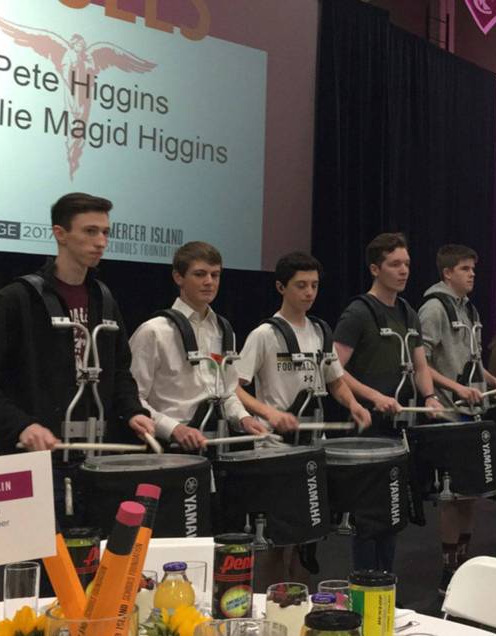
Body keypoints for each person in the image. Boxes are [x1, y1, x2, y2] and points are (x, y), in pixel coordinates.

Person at [0, 193, 155, 520]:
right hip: (34, 465)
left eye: (105, 232)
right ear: (60, 234)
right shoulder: (17, 300)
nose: (101, 242)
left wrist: (132, 410)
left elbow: (119, 371)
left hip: (94, 463)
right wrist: (22, 426)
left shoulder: (104, 300)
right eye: (90, 231)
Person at [231, 251, 372, 583]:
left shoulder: (321, 330)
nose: (309, 293)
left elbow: (335, 380)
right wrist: (270, 413)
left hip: (312, 447)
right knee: (276, 541)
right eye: (300, 286)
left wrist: (353, 404)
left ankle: (299, 608)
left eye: (314, 286)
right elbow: (234, 388)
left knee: (308, 539)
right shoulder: (264, 334)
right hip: (275, 449)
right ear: (281, 287)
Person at [333, 232, 444, 573]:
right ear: (375, 268)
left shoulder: (409, 313)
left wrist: (430, 395)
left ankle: (387, 586)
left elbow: (421, 365)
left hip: (399, 428)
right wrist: (373, 397)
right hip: (368, 428)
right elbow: (333, 369)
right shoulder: (358, 312)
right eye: (395, 264)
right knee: (370, 519)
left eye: (407, 264)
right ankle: (366, 587)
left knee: (393, 514)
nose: (403, 270)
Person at [417, 244, 496, 593]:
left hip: (473, 411)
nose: (472, 274)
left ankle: (464, 565)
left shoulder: (470, 310)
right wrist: (455, 388)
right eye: (465, 269)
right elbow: (419, 362)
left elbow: (473, 361)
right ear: (447, 273)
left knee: (472, 493)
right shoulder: (433, 309)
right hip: (446, 414)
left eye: (473, 268)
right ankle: (447, 572)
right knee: (452, 497)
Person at [129, 241, 267, 450]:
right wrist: (173, 428)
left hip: (216, 445)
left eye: (215, 274)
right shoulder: (154, 331)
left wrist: (243, 418)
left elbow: (226, 392)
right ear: (178, 277)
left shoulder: (224, 330)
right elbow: (133, 399)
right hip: (167, 448)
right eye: (200, 274)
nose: (209, 282)